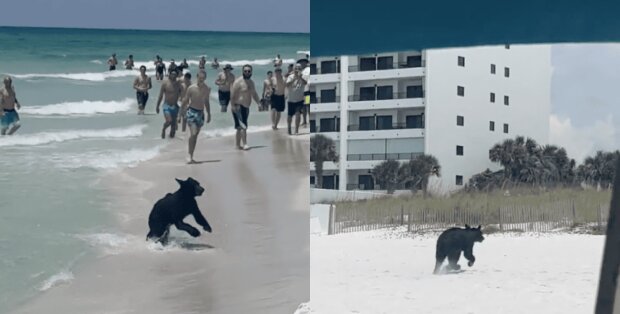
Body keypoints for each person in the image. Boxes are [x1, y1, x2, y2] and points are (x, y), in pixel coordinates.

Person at [181, 70, 211, 164]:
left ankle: (191, 155)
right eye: (200, 78)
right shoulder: (191, 88)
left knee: (195, 136)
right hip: (192, 112)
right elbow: (185, 100)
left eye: (203, 78)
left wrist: (209, 113)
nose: (201, 80)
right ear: (197, 77)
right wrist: (179, 114)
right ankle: (189, 155)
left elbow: (206, 101)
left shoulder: (207, 89)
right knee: (193, 134)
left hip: (201, 113)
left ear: (205, 78)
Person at [229, 64, 260, 150]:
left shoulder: (251, 82)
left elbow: (254, 94)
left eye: (249, 71)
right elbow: (232, 95)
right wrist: (232, 106)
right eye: (245, 71)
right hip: (238, 106)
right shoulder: (238, 82)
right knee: (243, 126)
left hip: (246, 107)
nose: (247, 72)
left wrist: (259, 103)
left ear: (251, 72)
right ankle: (245, 144)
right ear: (242, 71)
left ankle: (237, 145)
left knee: (239, 127)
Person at [156, 70, 183, 139]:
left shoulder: (178, 84)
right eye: (172, 74)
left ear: (177, 76)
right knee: (169, 121)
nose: (173, 76)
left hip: (175, 106)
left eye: (175, 75)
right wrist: (157, 106)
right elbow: (160, 95)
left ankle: (170, 145)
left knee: (173, 130)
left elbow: (183, 94)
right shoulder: (165, 83)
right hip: (166, 106)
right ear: (169, 74)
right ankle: (163, 129)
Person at [285, 63, 307, 135]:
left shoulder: (303, 76)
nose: (297, 70)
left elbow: (305, 83)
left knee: (298, 114)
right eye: (296, 68)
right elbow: (287, 85)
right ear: (294, 69)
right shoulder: (290, 77)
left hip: (299, 99)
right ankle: (289, 128)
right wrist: (294, 78)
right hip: (291, 100)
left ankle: (296, 130)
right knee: (289, 116)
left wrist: (299, 77)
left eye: (299, 68)